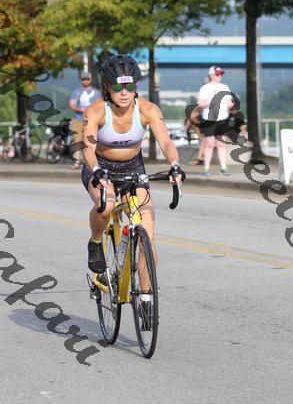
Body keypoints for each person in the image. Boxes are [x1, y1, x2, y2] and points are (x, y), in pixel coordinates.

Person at [81, 54, 186, 317]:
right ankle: (96, 241)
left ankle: (146, 295)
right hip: (101, 167)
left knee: (147, 233)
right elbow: (88, 150)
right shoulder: (95, 111)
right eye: (118, 87)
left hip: (133, 169)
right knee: (107, 206)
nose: (124, 92)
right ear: (108, 87)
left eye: (129, 86)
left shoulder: (148, 110)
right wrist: (96, 171)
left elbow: (166, 142)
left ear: (136, 86)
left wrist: (174, 165)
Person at [194, 65, 237, 177]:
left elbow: (229, 103)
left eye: (221, 74)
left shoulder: (225, 87)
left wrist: (231, 105)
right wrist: (210, 102)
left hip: (222, 118)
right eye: (218, 74)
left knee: (221, 144)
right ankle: (206, 168)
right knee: (210, 144)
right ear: (211, 75)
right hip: (209, 119)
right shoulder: (205, 88)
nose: (220, 76)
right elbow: (200, 104)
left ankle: (223, 168)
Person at [69, 71, 101, 169]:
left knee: (92, 141)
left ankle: (92, 162)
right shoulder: (77, 92)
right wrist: (80, 109)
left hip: (92, 120)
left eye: (87, 79)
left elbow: (100, 105)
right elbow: (71, 104)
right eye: (84, 79)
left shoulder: (96, 92)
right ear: (81, 80)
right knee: (77, 141)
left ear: (91, 80)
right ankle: (76, 162)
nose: (86, 81)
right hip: (78, 119)